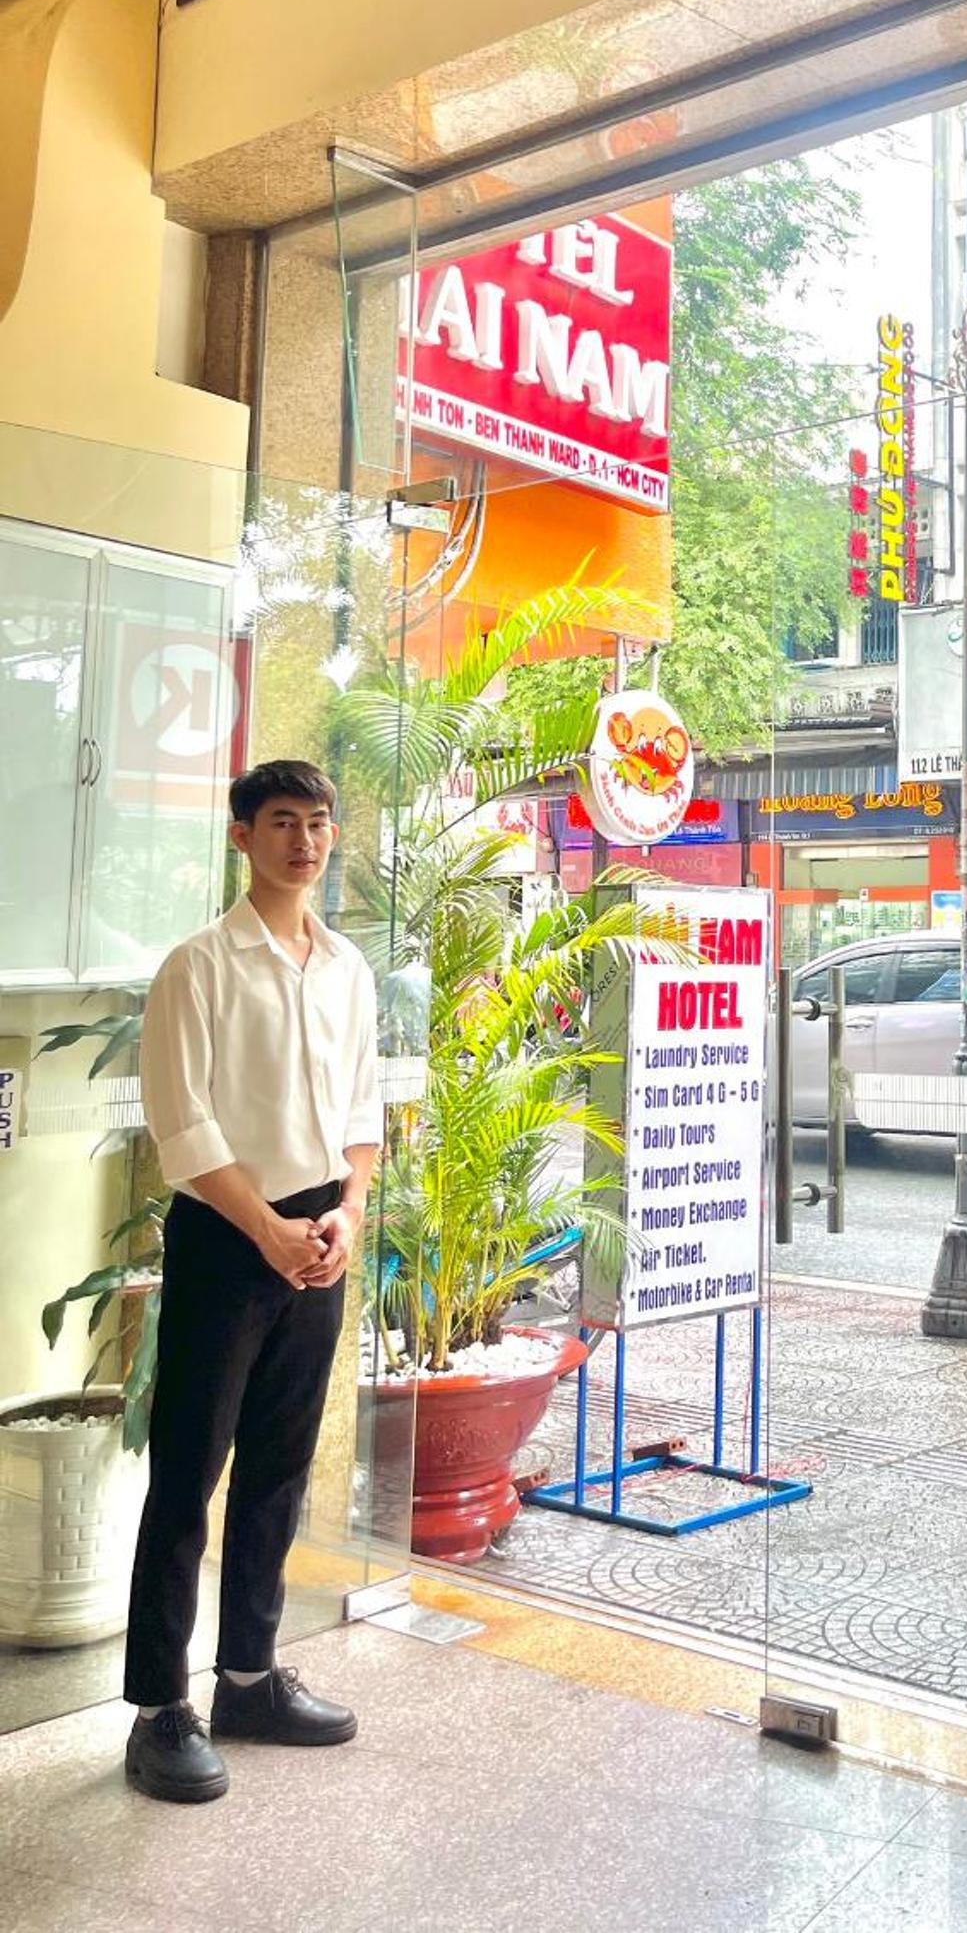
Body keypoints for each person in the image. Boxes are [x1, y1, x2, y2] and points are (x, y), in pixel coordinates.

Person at [122, 759, 382, 1804]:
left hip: (318, 1234)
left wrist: (348, 1212)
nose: (303, 841)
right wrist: (266, 1230)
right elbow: (182, 1128)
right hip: (230, 1236)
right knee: (188, 1474)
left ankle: (248, 1681)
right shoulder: (199, 967)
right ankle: (158, 1709)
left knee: (279, 1468)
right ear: (242, 837)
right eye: (281, 822)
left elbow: (362, 1110)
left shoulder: (347, 968)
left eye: (317, 823)